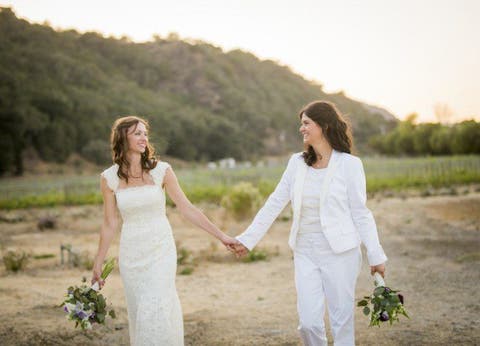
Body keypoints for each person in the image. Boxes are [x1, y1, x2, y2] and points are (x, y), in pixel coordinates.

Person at [232, 101, 387, 346]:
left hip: (341, 253)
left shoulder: (349, 165)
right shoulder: (296, 163)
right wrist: (248, 239)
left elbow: (361, 213)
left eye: (306, 123)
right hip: (305, 250)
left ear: (323, 125)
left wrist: (376, 255)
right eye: (301, 124)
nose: (301, 129)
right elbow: (275, 202)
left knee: (341, 322)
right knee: (309, 322)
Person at [91, 115, 237, 346]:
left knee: (156, 304)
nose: (144, 138)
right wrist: (98, 262)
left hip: (160, 250)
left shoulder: (162, 170)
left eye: (145, 133)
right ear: (122, 138)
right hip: (132, 254)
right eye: (137, 133)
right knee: (141, 311)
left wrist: (221, 236)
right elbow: (109, 223)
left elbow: (187, 208)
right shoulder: (108, 178)